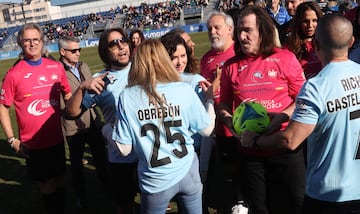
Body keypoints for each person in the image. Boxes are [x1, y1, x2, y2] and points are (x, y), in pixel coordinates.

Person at [241, 14, 360, 214]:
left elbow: (290, 140)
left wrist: (254, 141)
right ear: (351, 42)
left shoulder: (316, 86)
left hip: (328, 193)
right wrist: (285, 115)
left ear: (315, 45)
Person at [218, 6, 306, 214]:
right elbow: (222, 103)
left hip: (285, 149)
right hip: (250, 153)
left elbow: (303, 100)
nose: (241, 36)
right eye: (239, 30)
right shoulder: (231, 66)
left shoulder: (285, 58)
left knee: (295, 205)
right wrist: (231, 123)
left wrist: (281, 117)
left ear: (263, 31)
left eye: (248, 30)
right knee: (260, 208)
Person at [111, 38, 215, 214]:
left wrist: (107, 130)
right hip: (187, 170)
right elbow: (207, 129)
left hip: (155, 180)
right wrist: (210, 101)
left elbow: (124, 149)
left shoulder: (127, 96)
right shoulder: (183, 89)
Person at [0, 23, 72, 214]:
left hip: (57, 140)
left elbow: (68, 94)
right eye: (27, 40)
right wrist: (11, 139)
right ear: (20, 43)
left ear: (42, 42)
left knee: (59, 180)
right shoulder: (13, 75)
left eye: (35, 40)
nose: (32, 44)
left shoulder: (56, 67)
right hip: (33, 145)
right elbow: (3, 107)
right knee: (46, 185)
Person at [65, 28, 138, 214]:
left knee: (152, 202)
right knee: (124, 204)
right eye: (114, 44)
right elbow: (72, 113)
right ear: (105, 51)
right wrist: (82, 88)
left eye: (123, 40)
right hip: (121, 157)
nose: (121, 46)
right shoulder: (100, 81)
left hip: (148, 151)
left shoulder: (142, 68)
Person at [58, 35, 109, 209]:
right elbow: (63, 104)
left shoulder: (84, 66)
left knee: (101, 159)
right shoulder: (57, 73)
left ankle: (107, 187)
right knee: (77, 165)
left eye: (79, 49)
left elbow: (93, 92)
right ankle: (80, 195)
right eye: (74, 50)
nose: (78, 53)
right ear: (62, 52)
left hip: (92, 121)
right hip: (73, 127)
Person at [286, 2, 323, 79]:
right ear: (299, 22)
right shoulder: (290, 47)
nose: (310, 25)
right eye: (305, 21)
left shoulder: (327, 44)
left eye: (314, 20)